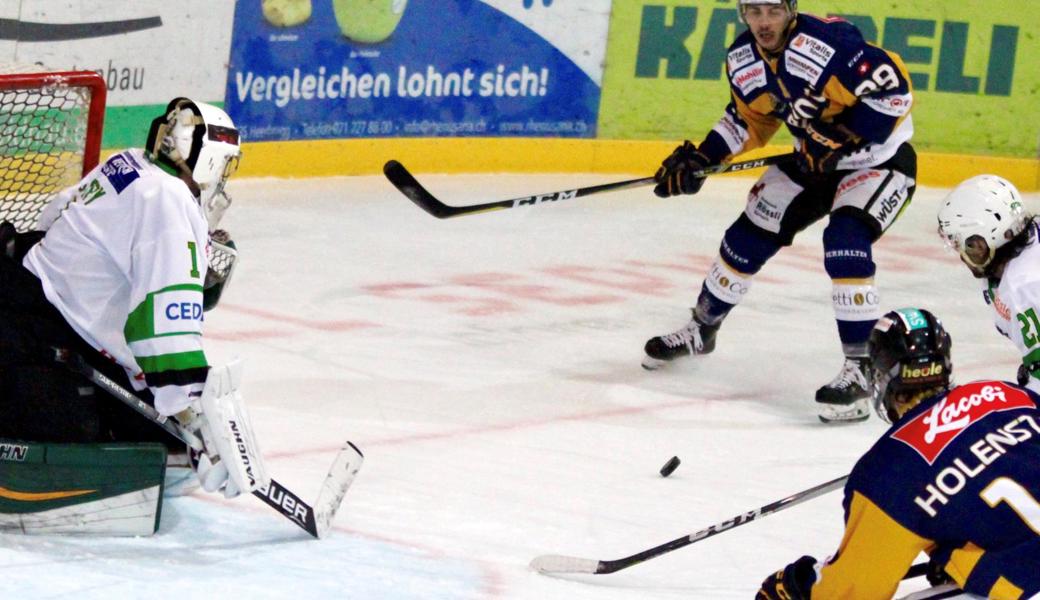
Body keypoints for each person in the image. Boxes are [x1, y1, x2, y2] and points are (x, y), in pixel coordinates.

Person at [643, 0, 917, 423]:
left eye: (772, 10)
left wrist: (840, 135)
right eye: (754, 11)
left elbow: (894, 91)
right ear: (741, 14)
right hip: (811, 162)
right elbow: (749, 119)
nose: (764, 22)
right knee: (746, 236)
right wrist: (703, 157)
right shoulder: (743, 58)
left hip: (877, 162)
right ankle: (703, 328)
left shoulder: (829, 45)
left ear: (791, 9)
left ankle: (862, 369)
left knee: (845, 242)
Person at [0, 97, 253, 511]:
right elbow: (161, 326)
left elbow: (51, 217)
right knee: (71, 435)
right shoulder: (169, 200)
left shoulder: (132, 163)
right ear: (205, 160)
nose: (220, 180)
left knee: (159, 444)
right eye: (222, 165)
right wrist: (191, 415)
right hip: (32, 327)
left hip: (35, 302)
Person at [756, 307, 1040, 599]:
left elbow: (855, 591)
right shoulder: (1006, 394)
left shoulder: (885, 472)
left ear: (882, 378)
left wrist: (801, 586)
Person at [937, 174, 1040, 393]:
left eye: (969, 245)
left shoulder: (1023, 289)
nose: (964, 254)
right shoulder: (1028, 242)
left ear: (987, 240)